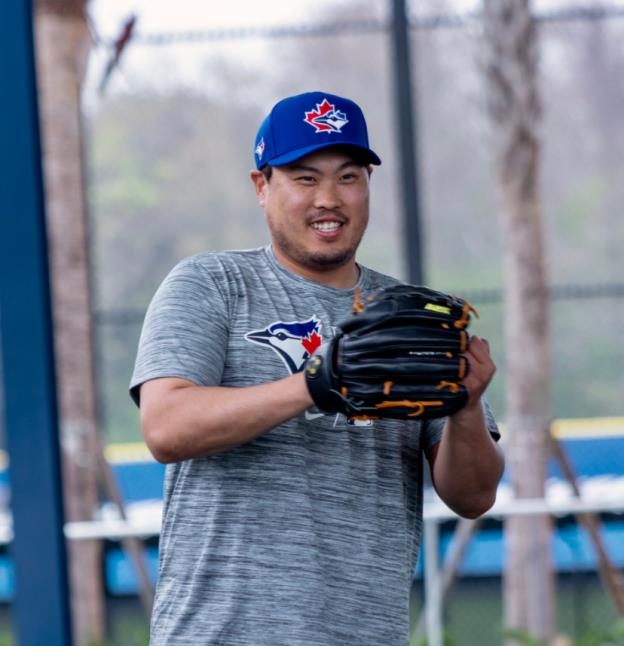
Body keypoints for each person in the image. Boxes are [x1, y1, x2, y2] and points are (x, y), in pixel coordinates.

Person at [130, 90, 505, 646]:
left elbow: (473, 497)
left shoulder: (411, 317)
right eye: (305, 178)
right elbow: (165, 428)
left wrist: (467, 408)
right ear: (262, 187)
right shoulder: (211, 284)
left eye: (348, 177)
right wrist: (315, 383)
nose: (329, 198)